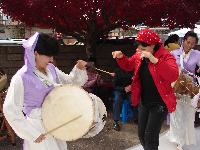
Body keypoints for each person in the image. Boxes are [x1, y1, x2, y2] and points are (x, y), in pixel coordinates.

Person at [3, 32, 88, 150]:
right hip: (37, 126)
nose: (51, 59)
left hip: (56, 120)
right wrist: (31, 133)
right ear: (36, 53)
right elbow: (10, 108)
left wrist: (78, 70)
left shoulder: (50, 68)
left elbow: (67, 83)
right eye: (48, 55)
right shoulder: (22, 77)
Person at [112, 29, 179, 150]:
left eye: (143, 49)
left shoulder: (166, 56)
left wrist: (154, 60)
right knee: (141, 135)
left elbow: (173, 75)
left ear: (153, 45)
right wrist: (121, 57)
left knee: (150, 137)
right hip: (144, 101)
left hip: (159, 103)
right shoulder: (139, 54)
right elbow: (128, 65)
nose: (140, 51)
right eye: (139, 49)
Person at [167, 31, 200, 150]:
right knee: (176, 114)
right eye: (188, 42)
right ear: (183, 41)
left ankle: (183, 138)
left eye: (193, 43)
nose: (190, 45)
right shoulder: (174, 53)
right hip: (176, 86)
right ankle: (178, 140)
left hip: (190, 88)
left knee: (188, 114)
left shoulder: (197, 54)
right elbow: (167, 67)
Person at [112, 67, 138, 131]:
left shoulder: (133, 72)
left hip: (130, 91)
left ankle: (136, 118)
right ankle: (115, 121)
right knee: (117, 100)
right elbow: (114, 85)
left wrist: (131, 86)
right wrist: (123, 88)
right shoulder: (117, 72)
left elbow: (137, 82)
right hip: (119, 90)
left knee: (133, 100)